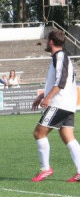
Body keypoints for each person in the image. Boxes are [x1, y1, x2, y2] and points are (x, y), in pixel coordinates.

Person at [30, 29, 80, 182]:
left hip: (59, 103)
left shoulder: (60, 56)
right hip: (67, 104)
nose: (46, 43)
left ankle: (45, 169)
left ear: (51, 42)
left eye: (47, 40)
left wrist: (48, 98)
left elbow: (61, 81)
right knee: (68, 137)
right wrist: (41, 96)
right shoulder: (61, 57)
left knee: (39, 133)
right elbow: (58, 81)